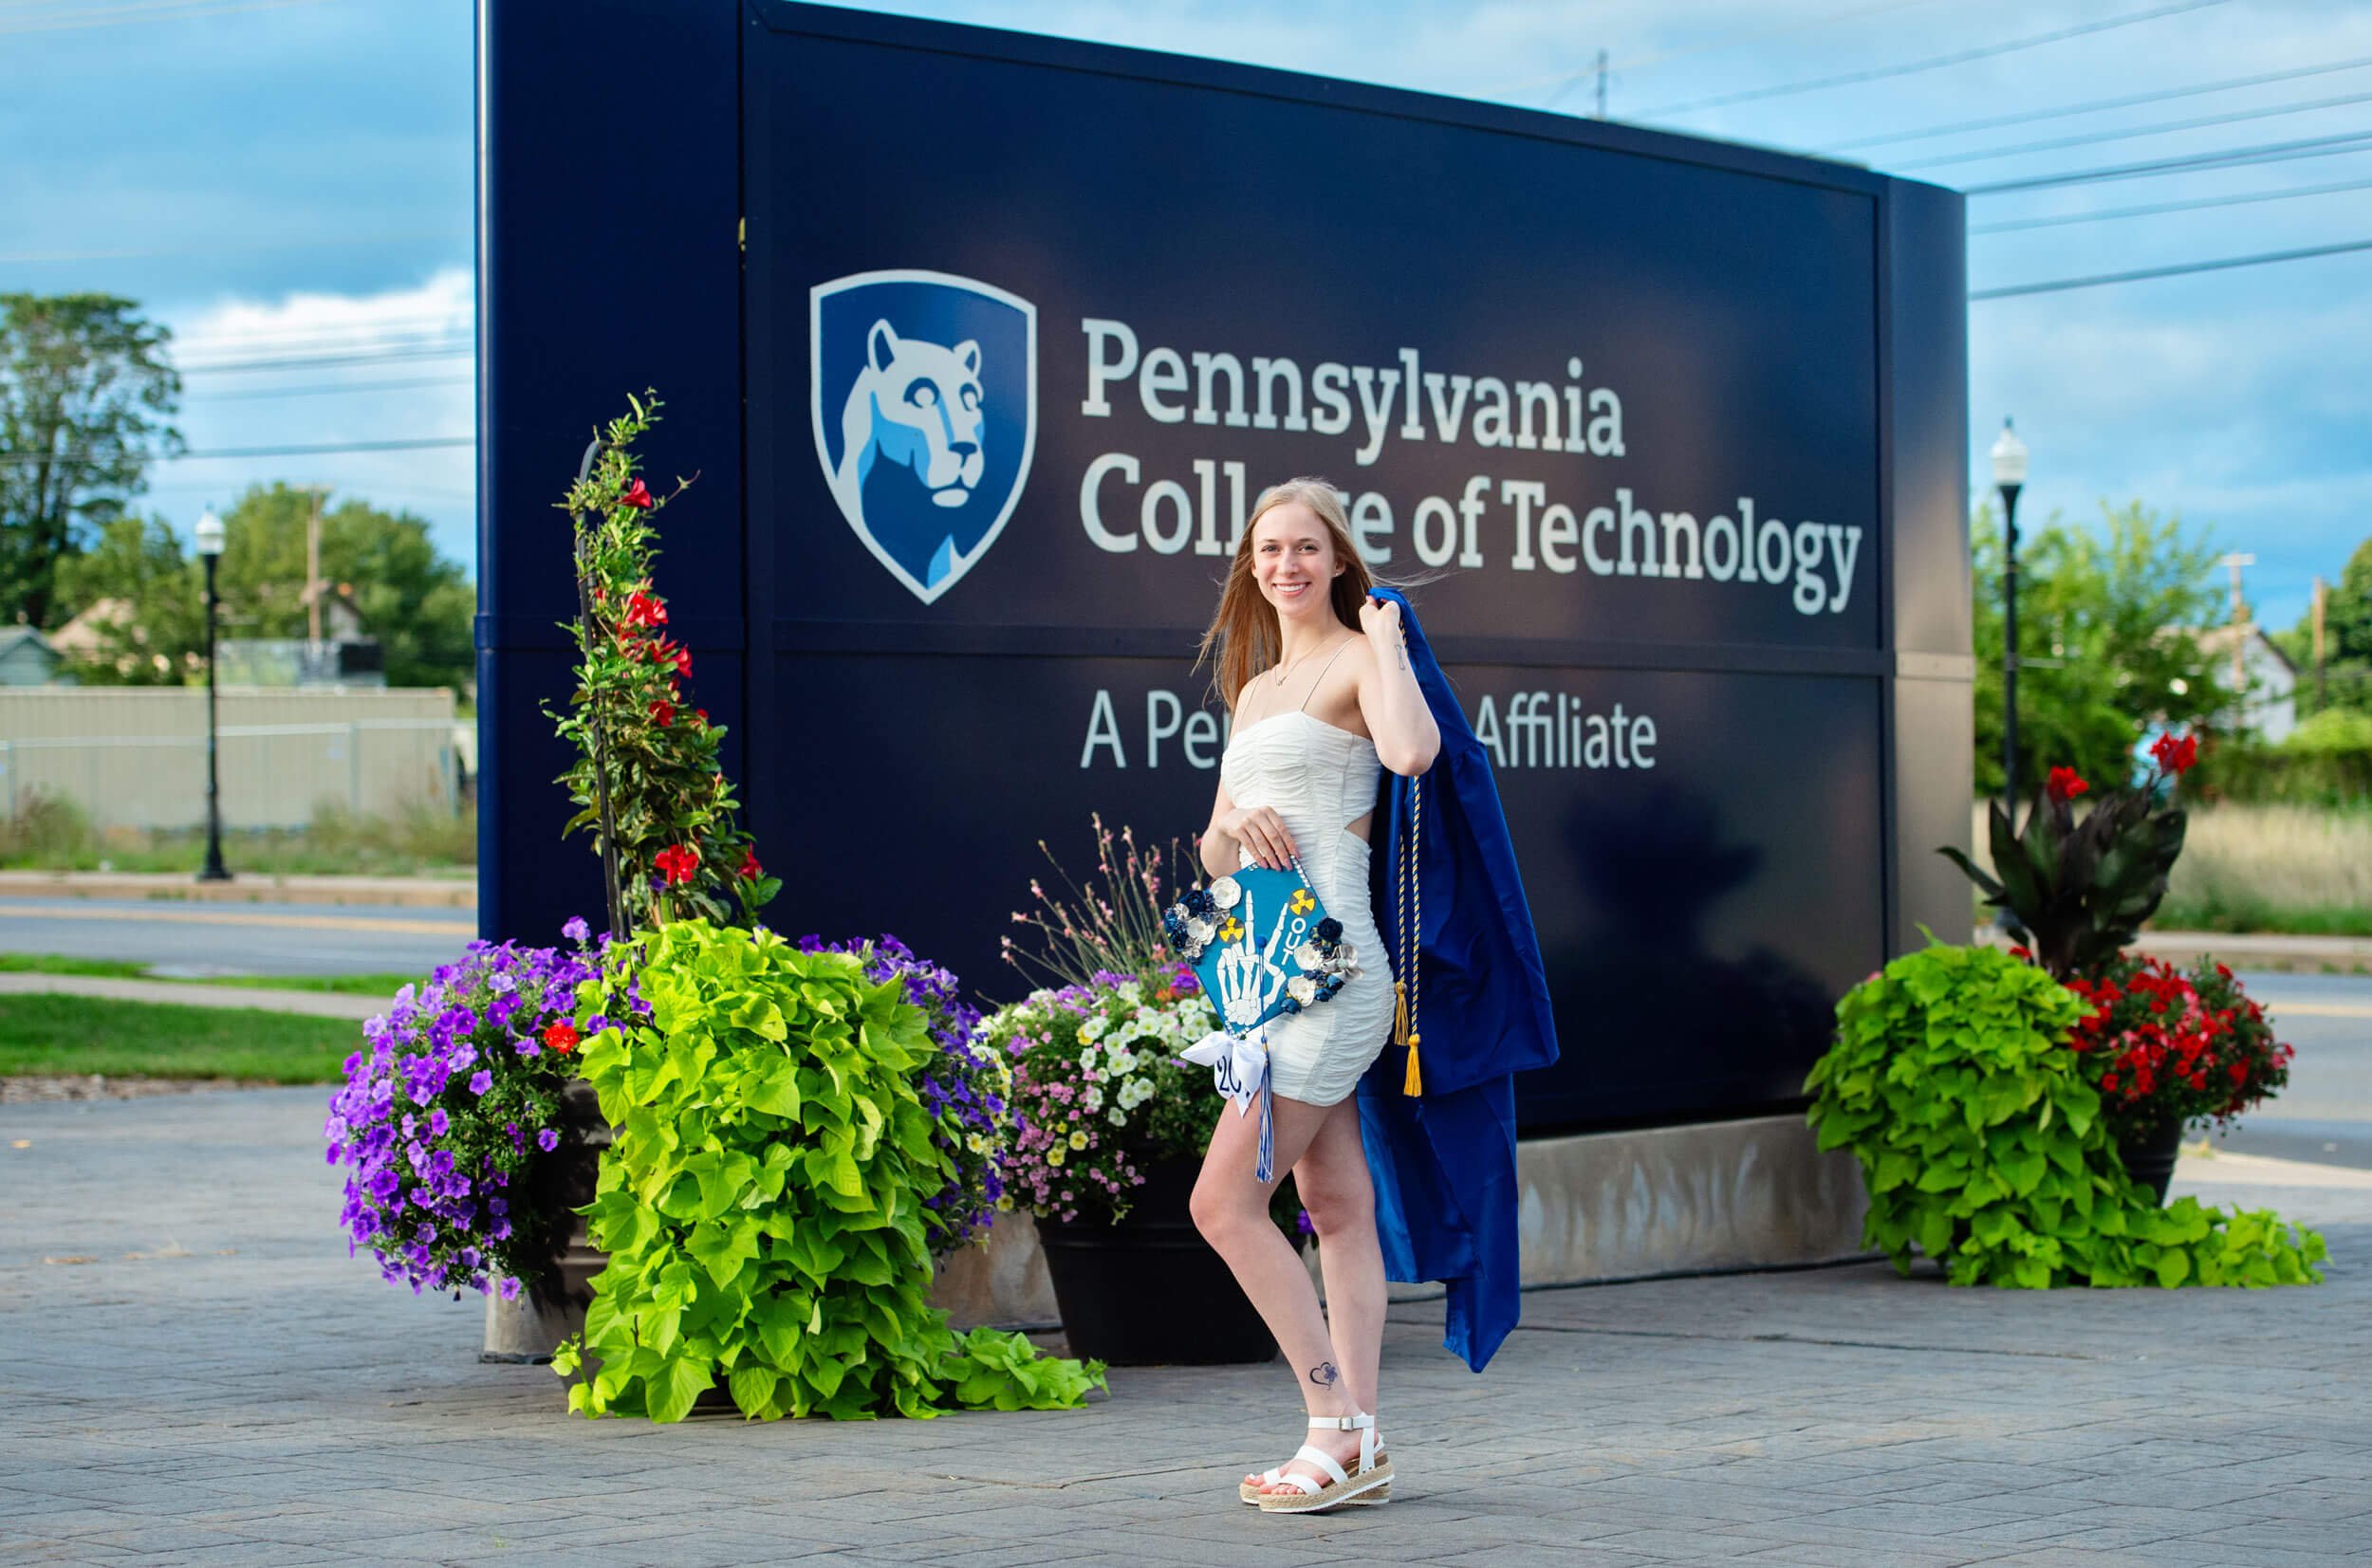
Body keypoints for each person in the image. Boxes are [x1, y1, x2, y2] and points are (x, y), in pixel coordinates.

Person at [1188, 477, 1440, 1515]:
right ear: (1250, 568)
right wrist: (1236, 828)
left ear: (1338, 558)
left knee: (1221, 1202)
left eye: (1303, 547)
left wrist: (1384, 642)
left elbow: (1412, 753)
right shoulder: (1252, 690)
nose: (1283, 564)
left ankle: (1332, 1423)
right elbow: (1209, 848)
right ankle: (1363, 1443)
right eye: (1266, 550)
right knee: (1333, 1206)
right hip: (1264, 973)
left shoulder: (1355, 658)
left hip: (1334, 974)